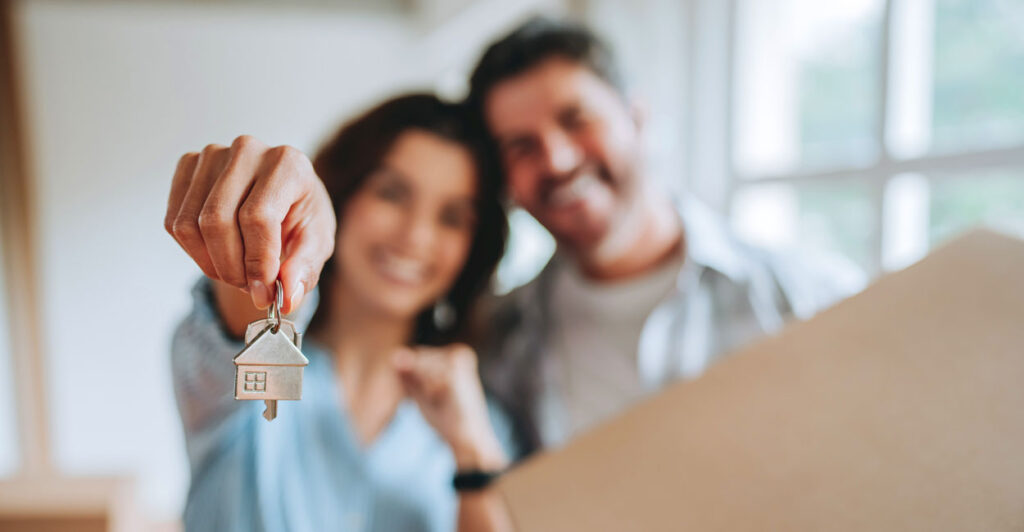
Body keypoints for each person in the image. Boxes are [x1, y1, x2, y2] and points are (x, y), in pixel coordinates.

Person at [465, 18, 866, 454]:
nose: (557, 161)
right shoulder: (500, 342)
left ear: (636, 118)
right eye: (521, 146)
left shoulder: (813, 299)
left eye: (576, 119)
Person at [165, 94, 517, 531]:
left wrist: (474, 458)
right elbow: (246, 300)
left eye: (452, 217)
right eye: (392, 194)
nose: (416, 236)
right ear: (343, 196)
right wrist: (266, 201)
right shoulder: (255, 371)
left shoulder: (482, 422)